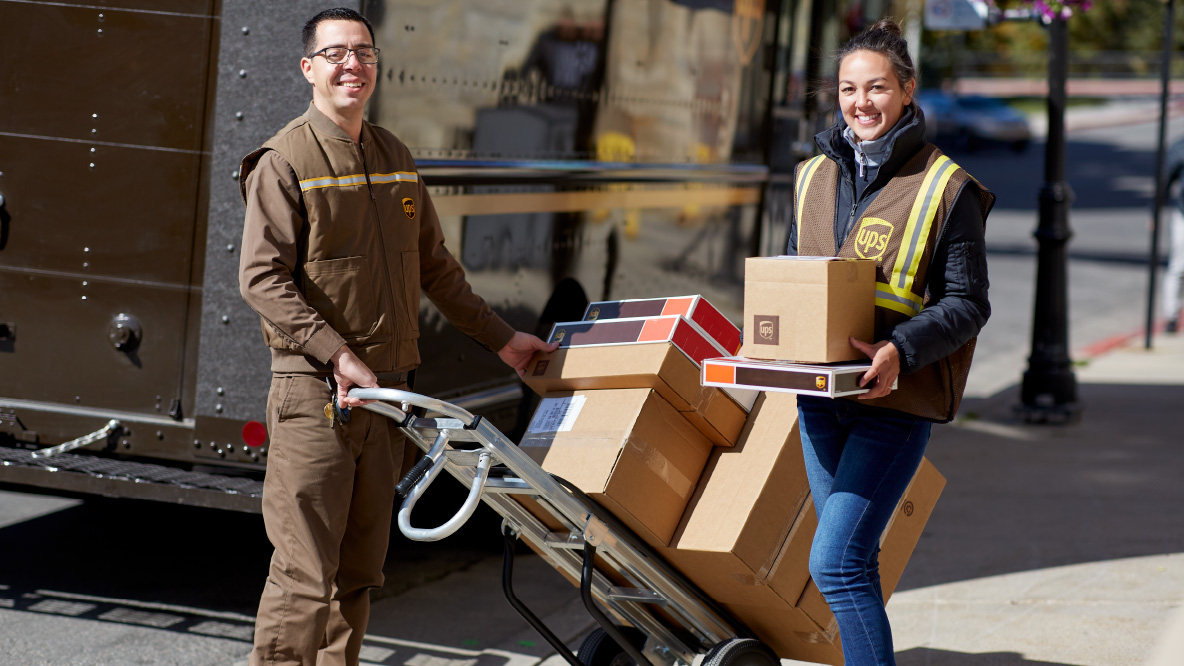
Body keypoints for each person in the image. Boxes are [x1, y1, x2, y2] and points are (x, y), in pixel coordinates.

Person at [236, 9, 556, 666]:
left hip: (385, 398)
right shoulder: (284, 160)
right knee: (303, 577)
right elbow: (261, 280)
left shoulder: (395, 156)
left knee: (358, 574)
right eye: (335, 54)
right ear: (309, 68)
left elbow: (435, 267)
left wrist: (502, 340)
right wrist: (338, 355)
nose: (351, 64)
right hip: (317, 397)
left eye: (363, 52)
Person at [787, 19, 993, 666]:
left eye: (876, 88)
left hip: (895, 403)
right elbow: (800, 281)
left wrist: (901, 350)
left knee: (835, 565)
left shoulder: (946, 187)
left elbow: (968, 303)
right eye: (849, 89)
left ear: (907, 90)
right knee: (855, 565)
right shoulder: (811, 176)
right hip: (820, 401)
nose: (861, 103)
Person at [1162, 137, 1184, 333]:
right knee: (1178, 265)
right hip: (1182, 214)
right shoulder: (1180, 147)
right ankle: (1171, 315)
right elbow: (1166, 180)